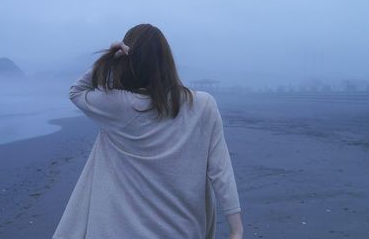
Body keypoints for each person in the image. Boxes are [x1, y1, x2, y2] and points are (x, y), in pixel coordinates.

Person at [52, 23, 243, 239]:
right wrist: (236, 228)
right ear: (167, 62)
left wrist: (109, 59)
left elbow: (76, 91)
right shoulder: (202, 105)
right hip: (183, 230)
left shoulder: (117, 106)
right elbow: (221, 170)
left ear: (127, 61)